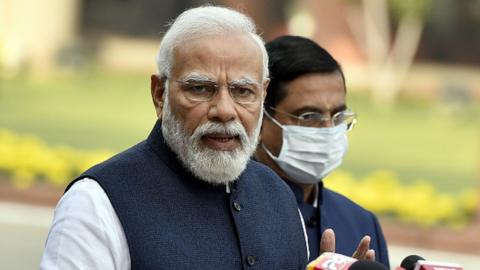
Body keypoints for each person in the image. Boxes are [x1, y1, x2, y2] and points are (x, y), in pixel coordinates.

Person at [39, 7, 309, 270]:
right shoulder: (97, 204)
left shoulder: (281, 199)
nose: (225, 110)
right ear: (160, 94)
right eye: (200, 88)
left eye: (242, 91)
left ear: (263, 95)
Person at [254, 35, 390, 267]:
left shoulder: (361, 224)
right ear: (259, 118)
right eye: (309, 116)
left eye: (338, 115)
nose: (328, 129)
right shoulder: (228, 214)